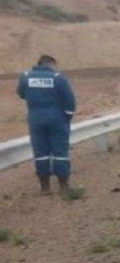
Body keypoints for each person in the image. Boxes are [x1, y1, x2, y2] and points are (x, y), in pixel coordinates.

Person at [17, 54, 76, 195]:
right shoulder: (59, 78)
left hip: (35, 119)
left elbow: (21, 94)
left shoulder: (25, 77)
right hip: (57, 119)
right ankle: (63, 186)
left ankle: (45, 187)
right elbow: (70, 102)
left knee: (40, 152)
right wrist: (67, 117)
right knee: (60, 152)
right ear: (51, 64)